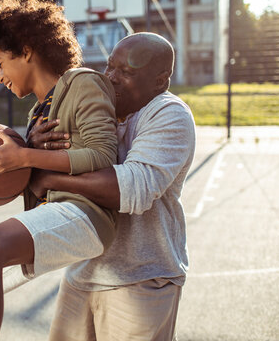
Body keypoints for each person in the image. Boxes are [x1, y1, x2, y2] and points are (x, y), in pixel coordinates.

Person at [0, 0, 118, 341]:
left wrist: (24, 158)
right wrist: (21, 164)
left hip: (86, 216)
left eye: (0, 63)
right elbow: (36, 181)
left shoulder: (83, 83)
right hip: (51, 217)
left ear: (27, 50)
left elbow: (103, 155)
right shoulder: (36, 115)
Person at [28, 32, 196, 340]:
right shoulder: (95, 108)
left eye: (127, 73)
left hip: (141, 279)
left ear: (160, 82)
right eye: (110, 67)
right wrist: (36, 147)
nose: (112, 78)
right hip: (83, 272)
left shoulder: (168, 113)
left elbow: (132, 189)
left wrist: (48, 177)